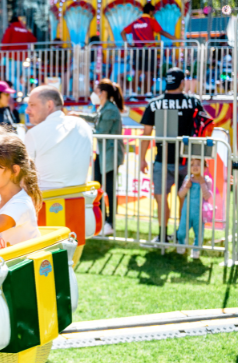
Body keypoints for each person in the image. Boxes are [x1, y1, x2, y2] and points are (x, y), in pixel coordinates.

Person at [139, 67, 204, 243]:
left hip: (162, 159)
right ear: (182, 83)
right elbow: (204, 128)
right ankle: (180, 236)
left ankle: (162, 235)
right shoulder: (193, 102)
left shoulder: (154, 103)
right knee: (183, 199)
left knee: (161, 199)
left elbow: (146, 134)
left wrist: (142, 159)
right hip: (188, 160)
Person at [68, 79, 126, 236]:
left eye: (96, 91)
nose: (94, 94)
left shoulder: (110, 110)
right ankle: (100, 221)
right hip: (102, 155)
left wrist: (81, 129)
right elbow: (95, 118)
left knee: (108, 190)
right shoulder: (105, 108)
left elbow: (100, 131)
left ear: (103, 93)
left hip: (110, 156)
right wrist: (78, 115)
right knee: (99, 189)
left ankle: (110, 222)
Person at [24, 86, 93, 190]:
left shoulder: (34, 133)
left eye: (32, 105)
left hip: (46, 202)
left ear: (49, 105)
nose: (27, 111)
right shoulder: (82, 125)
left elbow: (24, 177)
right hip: (80, 200)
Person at [120, 3, 176, 95]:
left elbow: (122, 32)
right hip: (149, 50)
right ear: (150, 12)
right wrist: (174, 38)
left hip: (137, 50)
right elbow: (161, 32)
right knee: (148, 72)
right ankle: (148, 93)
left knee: (137, 72)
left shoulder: (136, 22)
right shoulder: (150, 21)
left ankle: (133, 93)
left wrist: (128, 45)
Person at [175, 158, 212, 259]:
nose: (195, 167)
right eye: (192, 164)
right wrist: (186, 187)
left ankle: (196, 250)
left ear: (205, 168)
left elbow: (208, 196)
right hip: (187, 212)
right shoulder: (188, 178)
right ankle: (182, 244)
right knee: (181, 232)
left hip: (199, 214)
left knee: (199, 233)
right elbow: (181, 194)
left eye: (198, 164)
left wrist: (202, 183)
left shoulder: (207, 180)